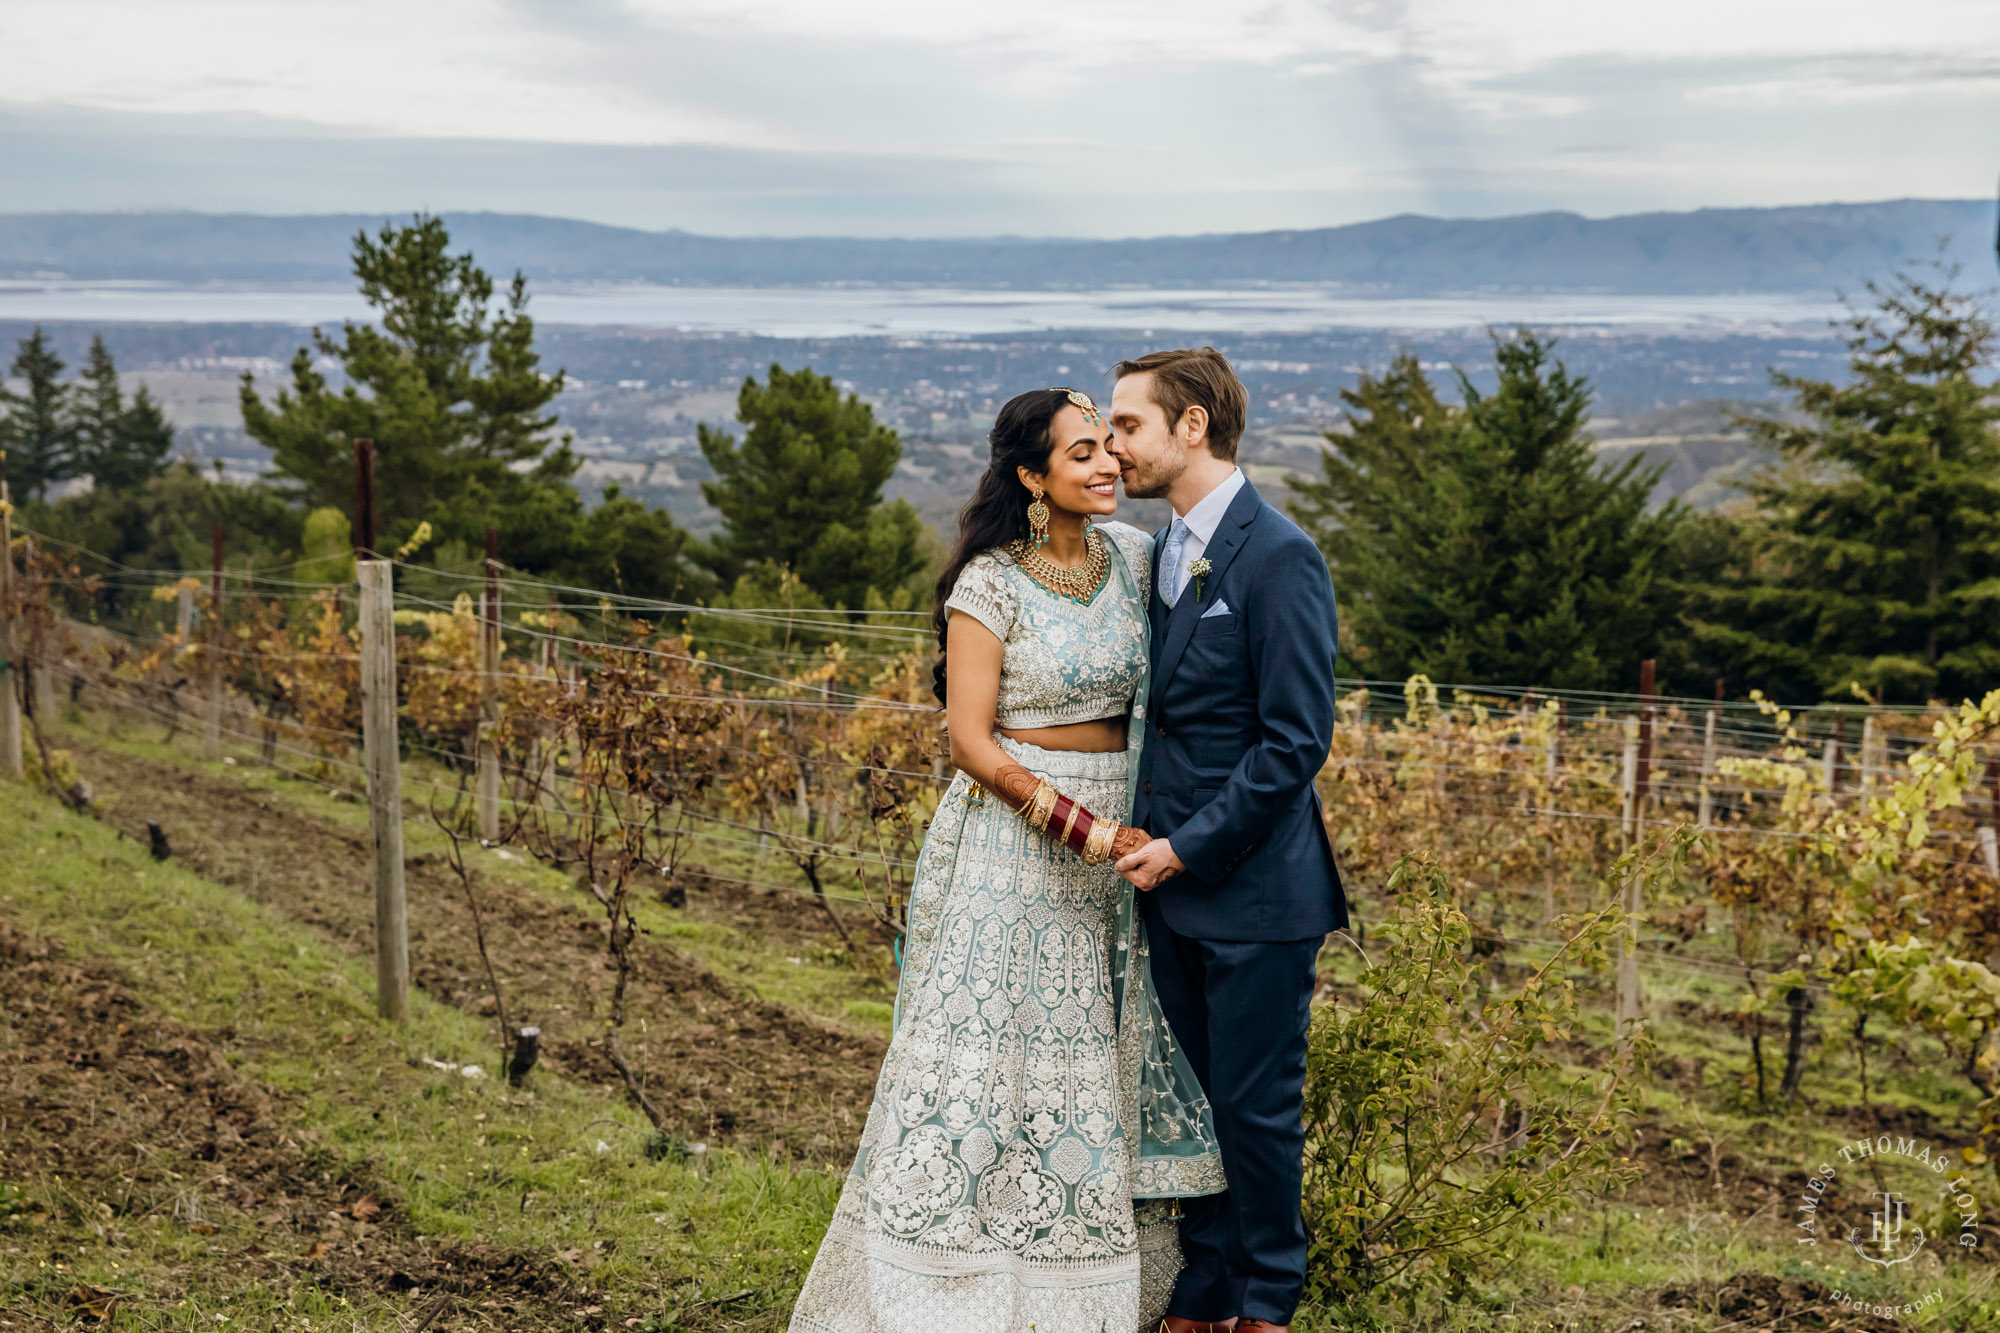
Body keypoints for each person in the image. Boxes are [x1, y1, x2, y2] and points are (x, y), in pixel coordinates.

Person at [790, 387, 1225, 1333]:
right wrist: (1084, 829)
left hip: (1124, 847)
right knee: (994, 1066)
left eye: (1109, 445)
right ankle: (950, 1288)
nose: (1107, 463)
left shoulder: (1137, 559)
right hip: (1016, 849)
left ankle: (1088, 1294)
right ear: (1034, 477)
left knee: (1091, 1064)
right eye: (1081, 453)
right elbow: (972, 744)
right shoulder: (989, 584)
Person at [1106, 348, 1348, 1333]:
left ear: (1191, 427)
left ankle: (1264, 1300)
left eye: (1127, 425)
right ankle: (1203, 1289)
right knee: (1194, 1106)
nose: (1112, 445)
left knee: (1253, 1110)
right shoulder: (1158, 552)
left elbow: (1294, 743)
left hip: (1252, 890)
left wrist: (1184, 848)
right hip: (1165, 883)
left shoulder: (1280, 554)